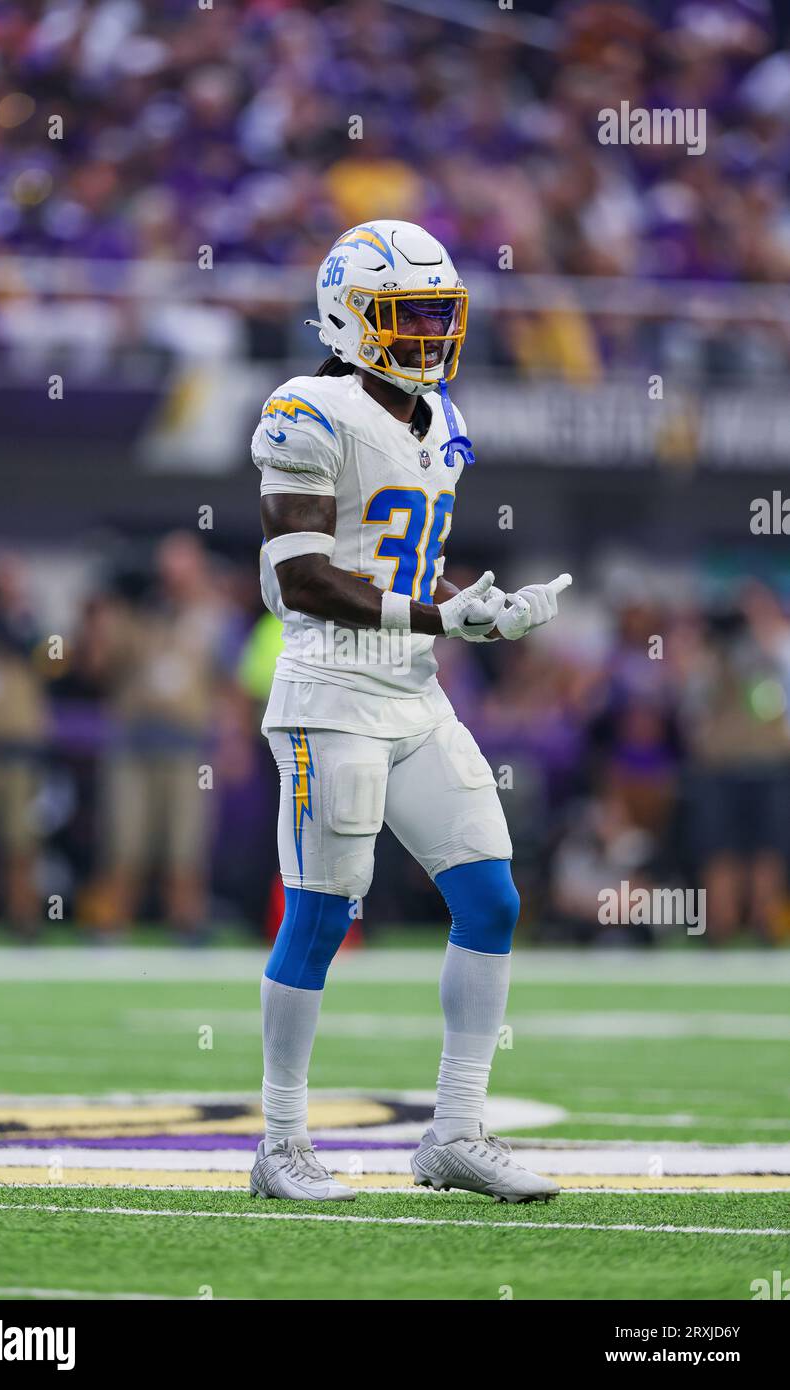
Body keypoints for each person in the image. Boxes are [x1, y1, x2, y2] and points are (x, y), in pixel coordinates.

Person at [248, 220, 570, 1203]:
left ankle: (455, 1130)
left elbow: (401, 557)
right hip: (331, 691)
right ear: (350, 317)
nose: (429, 333)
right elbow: (299, 580)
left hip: (412, 691)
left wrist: (486, 609)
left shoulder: (443, 417)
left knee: (491, 899)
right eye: (407, 314)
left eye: (439, 312)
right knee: (318, 915)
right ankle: (280, 1142)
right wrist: (442, 613)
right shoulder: (306, 407)